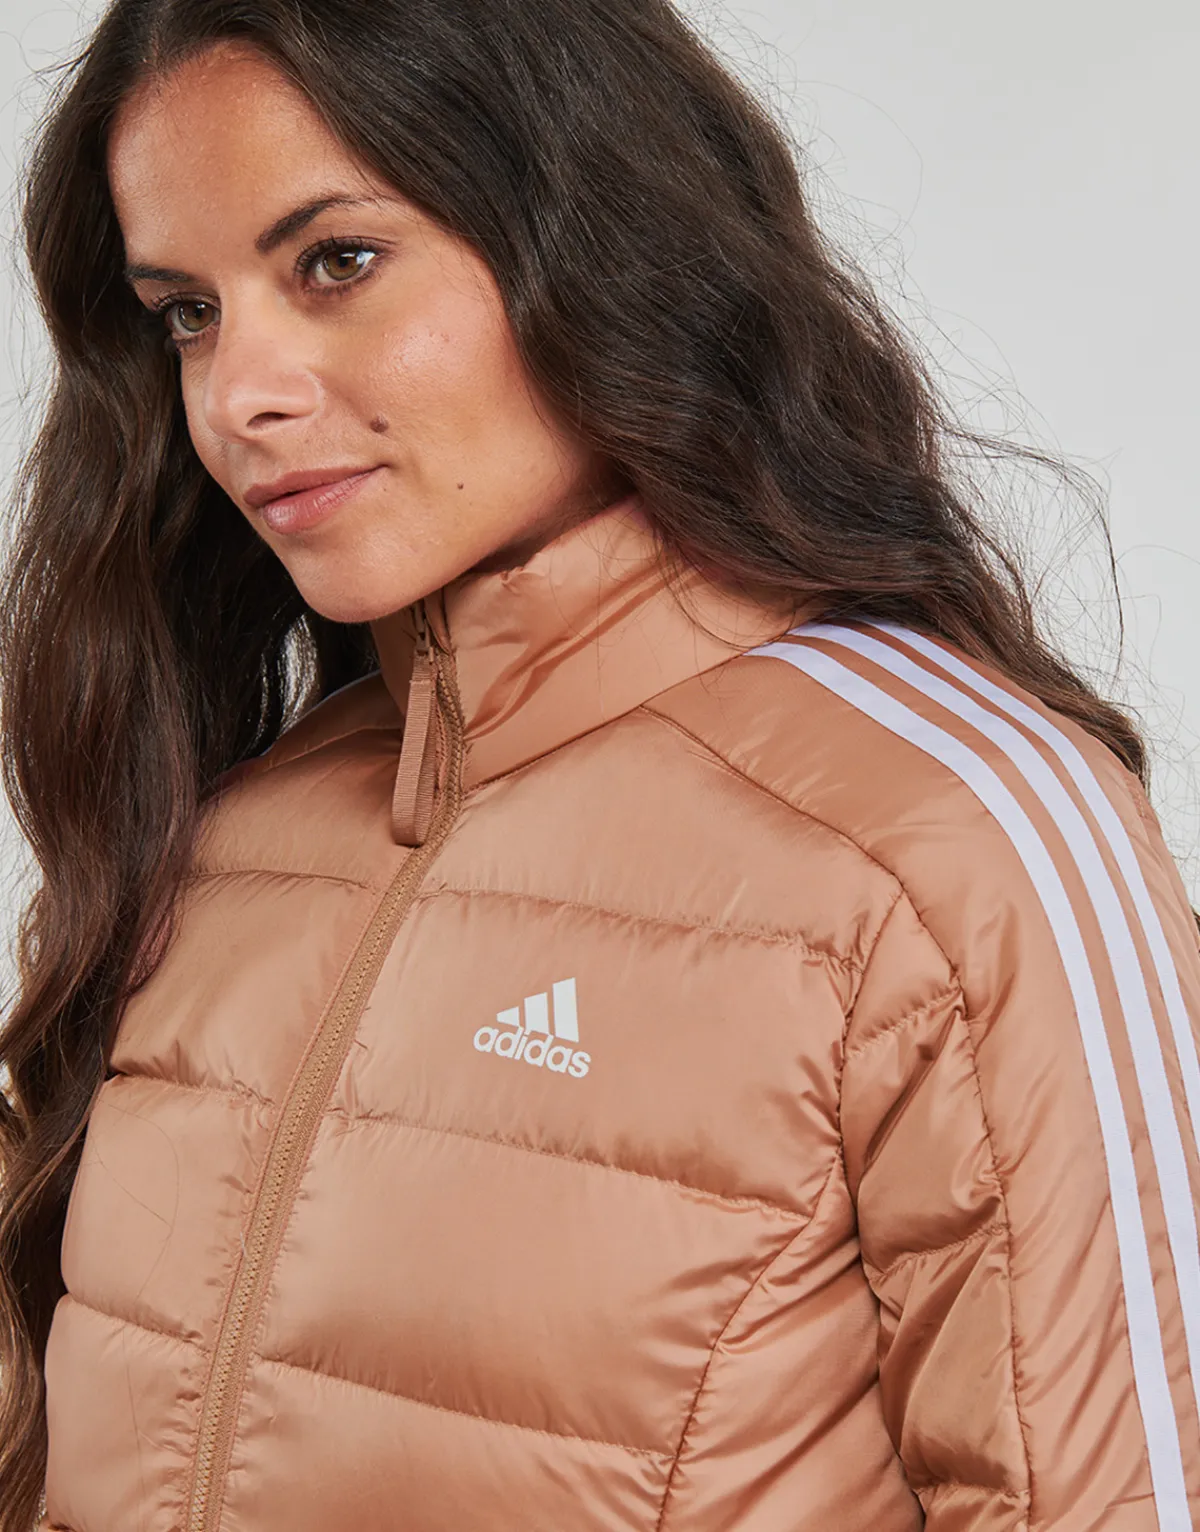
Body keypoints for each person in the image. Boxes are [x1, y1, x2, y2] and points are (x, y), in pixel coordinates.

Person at [0, 0, 1197, 1527]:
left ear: (596, 238)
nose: (240, 395)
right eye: (188, 312)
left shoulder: (947, 833)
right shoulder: (226, 832)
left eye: (337, 262)